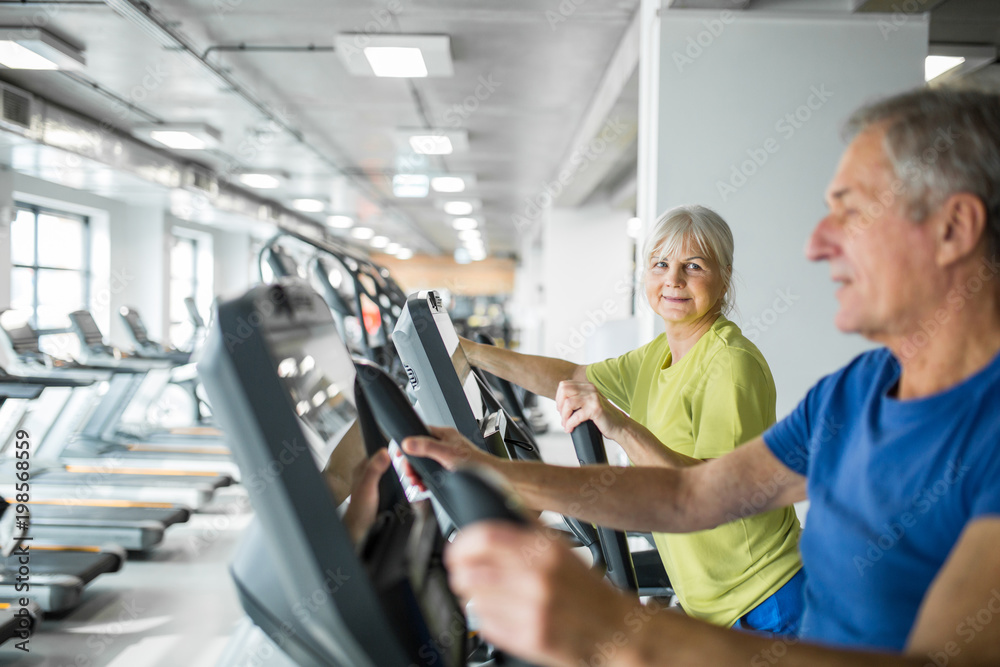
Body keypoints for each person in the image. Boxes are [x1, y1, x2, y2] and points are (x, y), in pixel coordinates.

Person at [403, 88, 1000, 666]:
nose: (817, 243)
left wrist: (614, 630)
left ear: (953, 229)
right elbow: (694, 496)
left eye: (853, 211)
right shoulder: (858, 388)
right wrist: (492, 473)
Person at [428, 205, 804, 635]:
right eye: (660, 264)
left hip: (764, 602)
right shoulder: (659, 354)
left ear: (725, 275)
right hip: (713, 604)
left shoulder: (731, 364)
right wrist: (471, 353)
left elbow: (712, 492)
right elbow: (571, 377)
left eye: (693, 266)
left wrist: (620, 427)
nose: (673, 280)